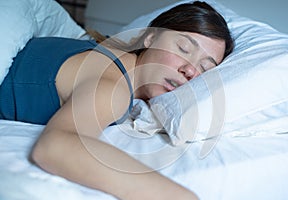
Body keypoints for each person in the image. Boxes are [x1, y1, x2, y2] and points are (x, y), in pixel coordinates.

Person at [0, 1, 234, 200]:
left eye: (204, 68)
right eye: (183, 48)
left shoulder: (113, 50)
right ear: (150, 38)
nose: (190, 69)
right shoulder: (113, 87)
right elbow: (54, 147)